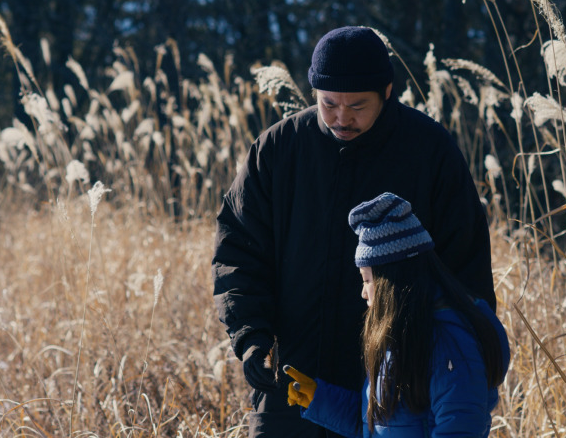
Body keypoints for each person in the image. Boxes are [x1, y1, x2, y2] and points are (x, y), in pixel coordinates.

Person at [212, 26, 495, 437]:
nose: (342, 117)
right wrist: (250, 336)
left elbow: (464, 272)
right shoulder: (278, 150)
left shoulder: (429, 151)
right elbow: (238, 252)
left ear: (387, 90)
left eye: (358, 106)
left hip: (396, 388)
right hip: (293, 384)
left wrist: (450, 362)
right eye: (328, 104)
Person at [283, 192, 510, 437]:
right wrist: (321, 400)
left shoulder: (450, 343)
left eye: (367, 279)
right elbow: (379, 426)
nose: (363, 292)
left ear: (390, 282)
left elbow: (461, 429)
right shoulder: (403, 336)